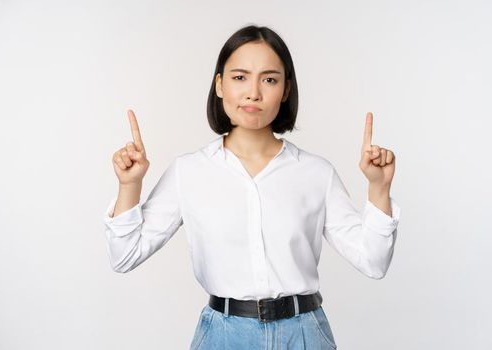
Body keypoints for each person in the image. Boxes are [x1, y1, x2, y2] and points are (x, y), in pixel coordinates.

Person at [103, 25, 400, 349]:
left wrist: (379, 188)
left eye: (269, 79)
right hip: (223, 336)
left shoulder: (316, 173)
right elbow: (124, 257)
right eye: (240, 77)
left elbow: (374, 262)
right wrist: (130, 186)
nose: (253, 92)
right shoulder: (189, 172)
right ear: (219, 85)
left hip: (304, 336)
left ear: (285, 89)